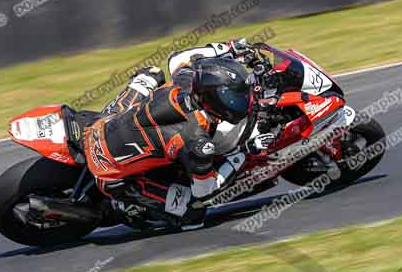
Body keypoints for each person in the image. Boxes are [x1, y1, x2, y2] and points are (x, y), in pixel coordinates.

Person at [84, 39, 275, 228]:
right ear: (215, 102)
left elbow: (178, 57)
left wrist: (230, 48)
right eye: (232, 97)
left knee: (152, 73)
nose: (241, 100)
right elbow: (205, 191)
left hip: (102, 124)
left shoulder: (186, 81)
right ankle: (124, 205)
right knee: (194, 211)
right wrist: (244, 152)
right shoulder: (197, 140)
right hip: (109, 174)